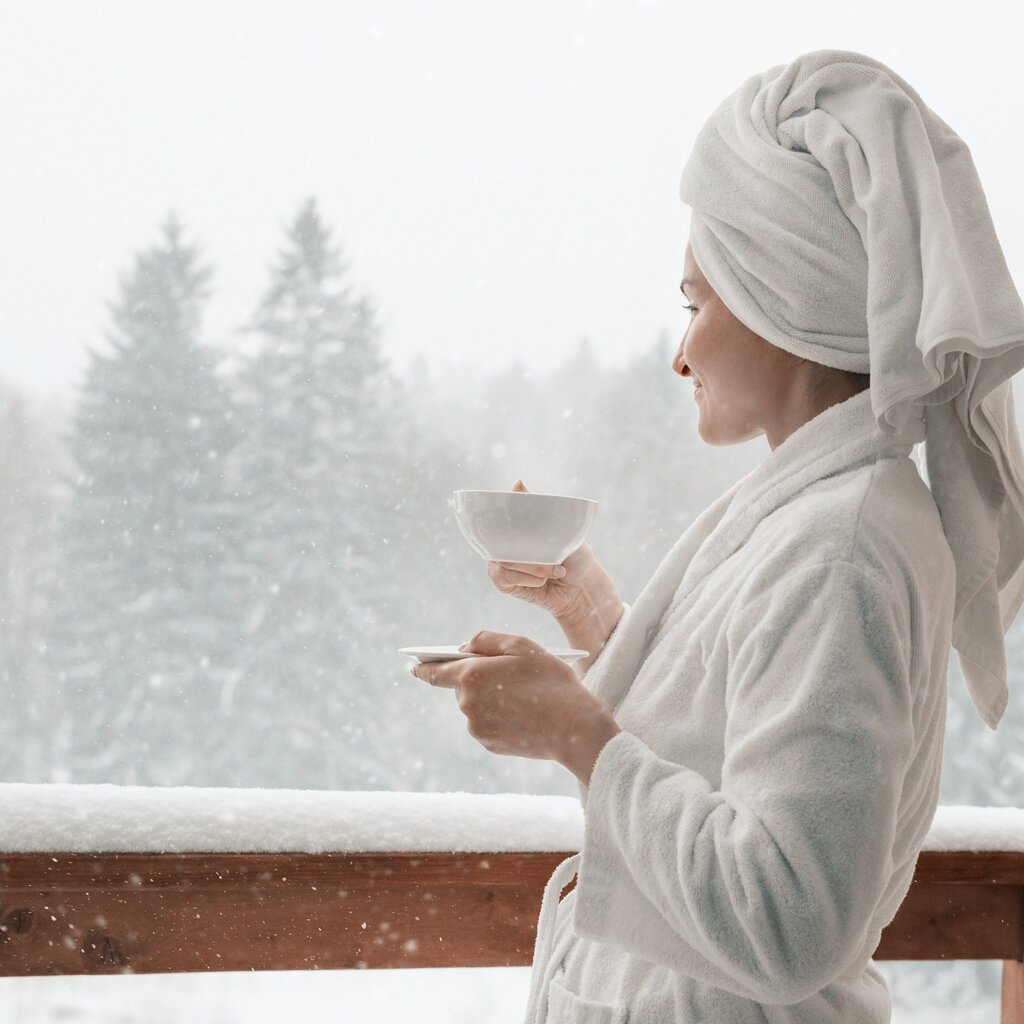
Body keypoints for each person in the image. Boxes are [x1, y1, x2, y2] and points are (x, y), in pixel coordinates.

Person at [411, 48, 1024, 1022]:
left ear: (784, 297)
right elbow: (746, 738)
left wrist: (577, 734)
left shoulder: (840, 542)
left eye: (695, 301)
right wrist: (597, 617)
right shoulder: (817, 510)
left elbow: (789, 917)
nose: (679, 349)